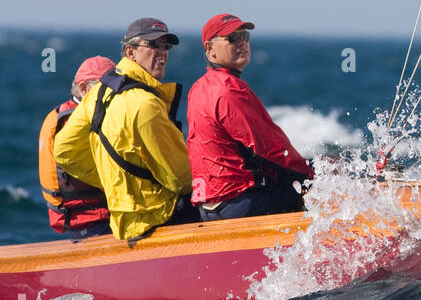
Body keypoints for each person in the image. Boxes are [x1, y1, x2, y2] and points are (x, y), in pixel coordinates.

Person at [53, 18, 196, 240]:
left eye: (166, 46)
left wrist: (113, 183)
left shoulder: (99, 92)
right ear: (130, 52)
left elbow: (64, 150)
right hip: (157, 216)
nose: (162, 52)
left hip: (121, 221)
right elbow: (181, 179)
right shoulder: (145, 104)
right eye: (153, 45)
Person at [187, 14, 314, 221]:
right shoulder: (230, 88)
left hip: (208, 207)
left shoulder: (198, 87)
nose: (242, 43)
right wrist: (312, 174)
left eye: (245, 36)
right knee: (317, 186)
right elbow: (270, 149)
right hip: (238, 204)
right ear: (210, 49)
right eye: (232, 38)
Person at [37, 56, 116, 237]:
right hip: (94, 218)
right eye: (108, 87)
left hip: (83, 220)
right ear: (83, 89)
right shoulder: (74, 124)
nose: (116, 92)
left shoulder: (60, 114)